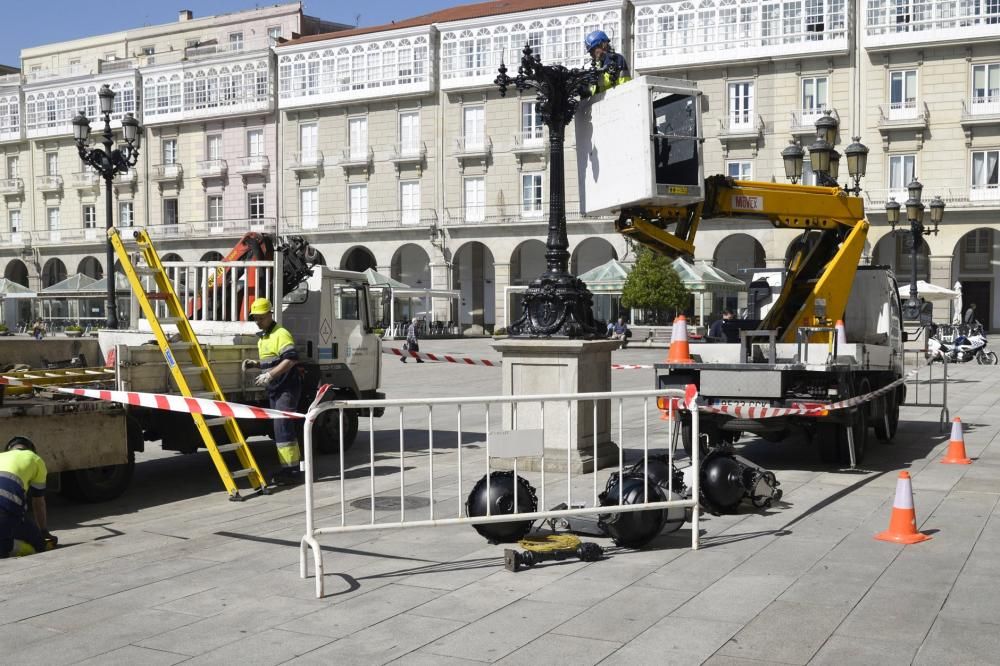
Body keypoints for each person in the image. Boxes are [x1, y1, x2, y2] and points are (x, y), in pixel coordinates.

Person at [242, 298, 303, 486]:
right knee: (281, 430)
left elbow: (290, 359)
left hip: (287, 388)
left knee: (283, 429)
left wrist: (270, 375)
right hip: (276, 389)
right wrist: (257, 364)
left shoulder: (281, 334)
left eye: (261, 317)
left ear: (270, 314)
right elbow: (274, 360)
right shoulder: (265, 337)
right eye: (255, 318)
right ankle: (291, 468)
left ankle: (291, 471)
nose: (258, 321)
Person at [0, 436, 54, 558]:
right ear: (30, 450)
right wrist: (43, 532)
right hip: (5, 511)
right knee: (40, 545)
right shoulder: (35, 459)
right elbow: (38, 502)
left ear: (9, 448)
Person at [584, 30, 631, 96]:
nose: (591, 54)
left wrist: (592, 77)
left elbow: (607, 79)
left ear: (603, 45)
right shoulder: (600, 64)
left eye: (592, 50)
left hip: (619, 98)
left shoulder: (616, 58)